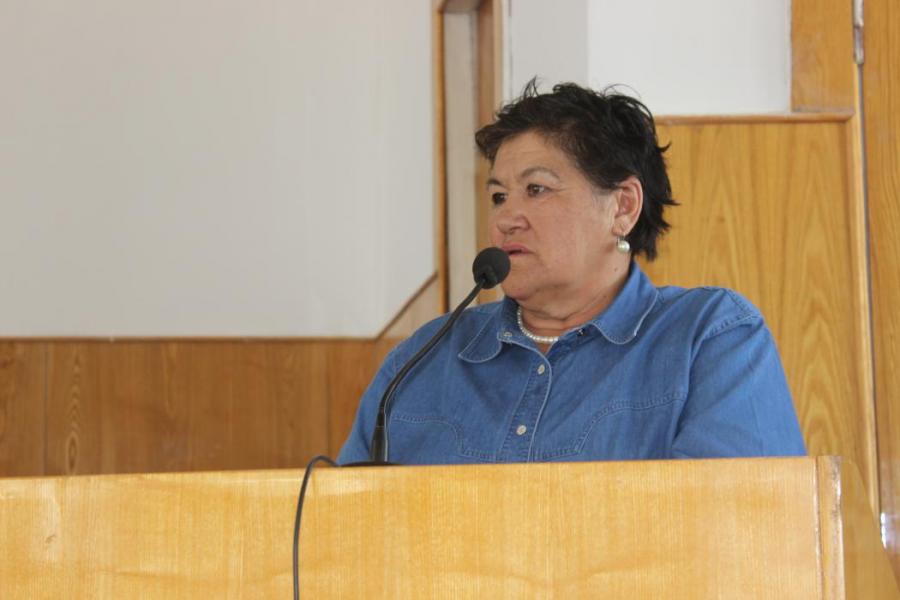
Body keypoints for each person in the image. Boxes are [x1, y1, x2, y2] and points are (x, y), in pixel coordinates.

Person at [338, 81, 806, 465]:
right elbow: (342, 529)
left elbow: (744, 526)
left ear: (622, 207)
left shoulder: (709, 338)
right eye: (499, 196)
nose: (506, 218)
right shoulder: (421, 361)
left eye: (536, 189)